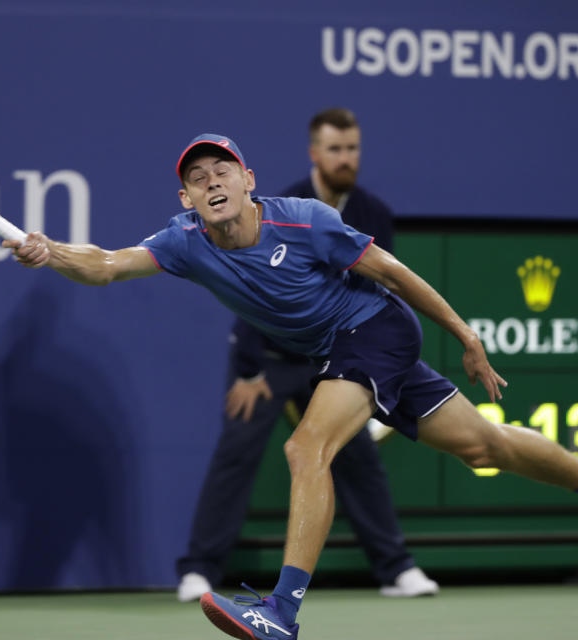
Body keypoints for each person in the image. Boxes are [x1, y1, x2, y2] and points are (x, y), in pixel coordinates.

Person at [4, 133, 578, 640]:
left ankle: (282, 611)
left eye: (222, 170)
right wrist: (50, 251)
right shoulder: (185, 243)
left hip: (377, 331)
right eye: (197, 179)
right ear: (187, 200)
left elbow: (394, 273)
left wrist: (464, 334)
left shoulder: (305, 219)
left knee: (306, 448)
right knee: (485, 447)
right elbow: (109, 265)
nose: (212, 183)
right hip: (339, 351)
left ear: (248, 179)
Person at [174, 108, 437, 603]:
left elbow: (377, 287)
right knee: (238, 449)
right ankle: (200, 569)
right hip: (268, 358)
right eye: (336, 149)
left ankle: (396, 567)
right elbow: (250, 293)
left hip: (337, 352)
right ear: (316, 153)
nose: (346, 158)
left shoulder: (373, 211)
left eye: (352, 149)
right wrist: (250, 370)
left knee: (355, 455)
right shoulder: (284, 204)